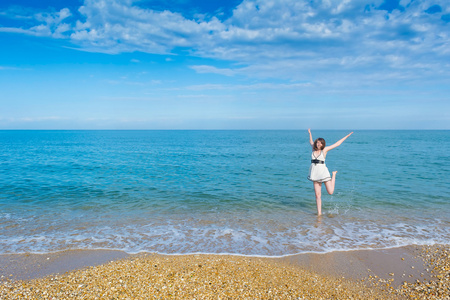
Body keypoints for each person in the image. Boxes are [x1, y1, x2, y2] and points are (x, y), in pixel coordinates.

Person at [307, 129, 353, 216]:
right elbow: (310, 141)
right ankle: (319, 214)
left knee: (330, 192)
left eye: (320, 143)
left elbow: (337, 144)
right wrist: (309, 133)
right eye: (317, 142)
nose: (318, 144)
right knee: (317, 195)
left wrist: (347, 136)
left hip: (323, 173)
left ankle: (334, 175)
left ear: (323, 144)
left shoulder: (324, 150)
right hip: (315, 174)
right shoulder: (313, 149)